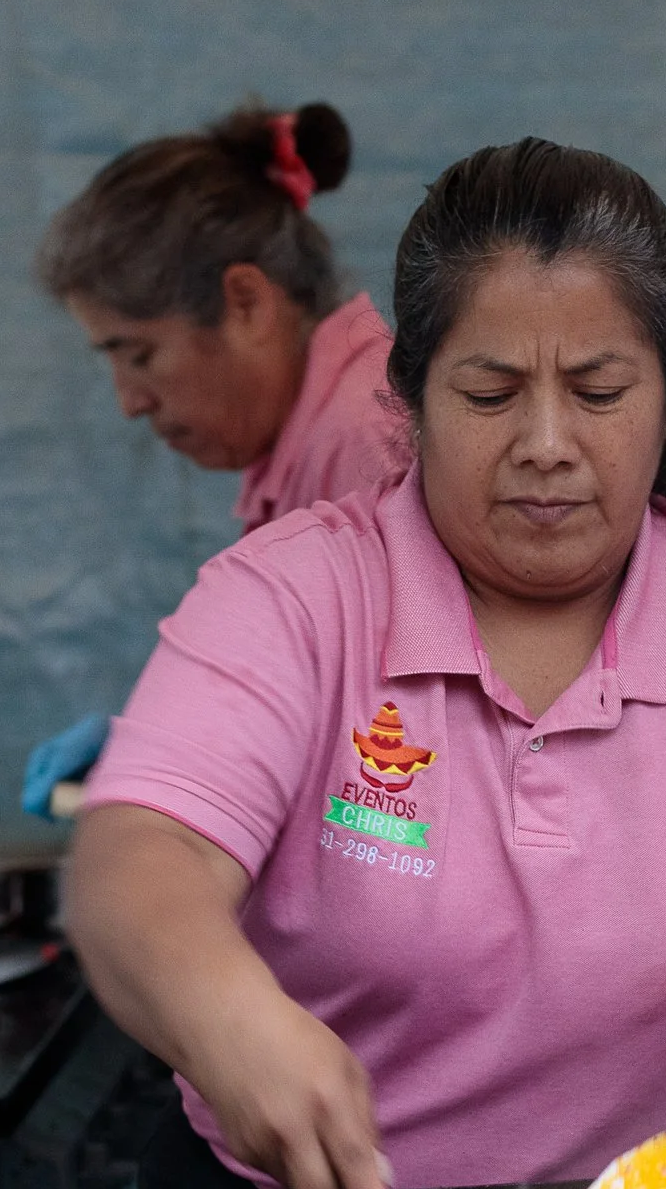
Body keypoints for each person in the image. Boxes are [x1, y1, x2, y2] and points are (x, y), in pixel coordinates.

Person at [65, 138, 666, 1189]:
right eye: (489, 394)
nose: (546, 443)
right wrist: (226, 1016)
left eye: (598, 391)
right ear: (410, 399)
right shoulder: (292, 599)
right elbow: (136, 864)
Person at [23, 101, 409, 815]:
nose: (129, 402)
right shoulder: (316, 441)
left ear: (247, 303)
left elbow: (395, 764)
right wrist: (170, 743)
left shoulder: (371, 447)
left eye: (140, 355)